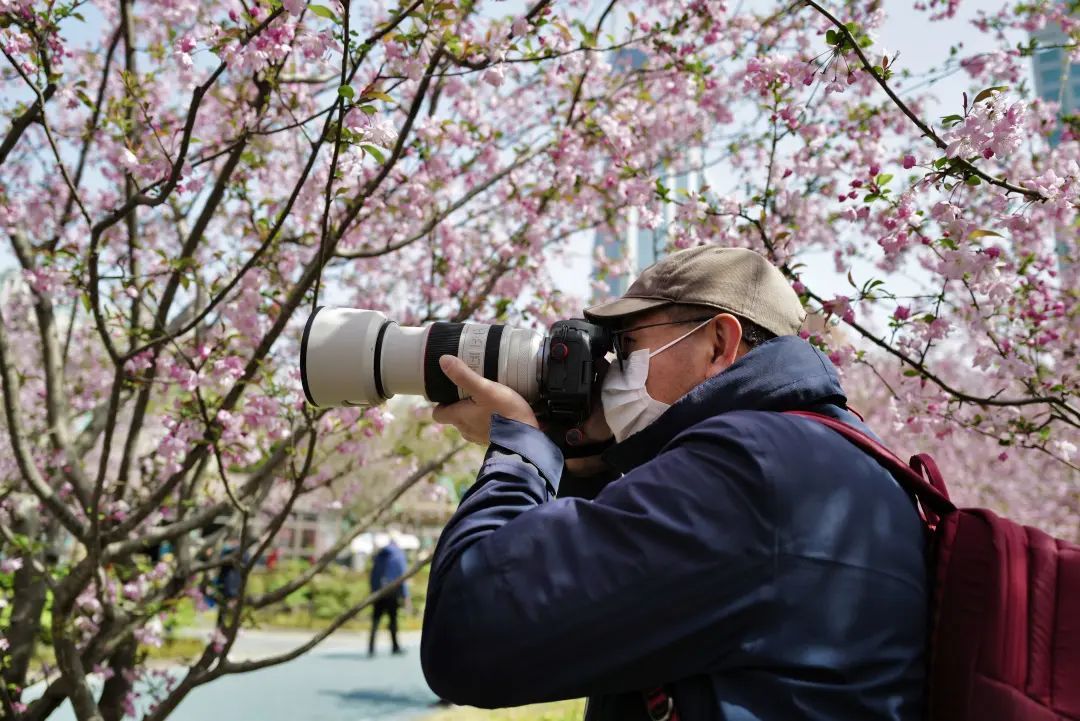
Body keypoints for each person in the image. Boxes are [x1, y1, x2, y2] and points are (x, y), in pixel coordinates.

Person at [420, 247, 927, 720]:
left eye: (626, 344)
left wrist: (520, 453)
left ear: (719, 343)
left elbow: (470, 634)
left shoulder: (747, 467)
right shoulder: (835, 456)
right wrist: (585, 465)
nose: (609, 369)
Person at [368, 535, 410, 657]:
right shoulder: (399, 555)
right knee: (393, 619)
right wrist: (406, 596)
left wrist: (373, 590)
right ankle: (395, 646)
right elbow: (403, 575)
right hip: (392, 591)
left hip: (379, 592)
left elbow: (373, 575)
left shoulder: (379, 556)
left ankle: (371, 647)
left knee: (375, 620)